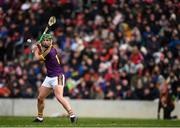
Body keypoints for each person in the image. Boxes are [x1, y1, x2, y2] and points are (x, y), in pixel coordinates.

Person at [31, 34, 77, 123]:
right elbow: (43, 54)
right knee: (40, 98)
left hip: (58, 76)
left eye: (49, 40)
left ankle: (72, 115)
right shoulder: (47, 49)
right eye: (45, 40)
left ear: (51, 41)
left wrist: (35, 50)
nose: (47, 42)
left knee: (59, 96)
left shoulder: (50, 51)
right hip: (49, 77)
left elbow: (38, 58)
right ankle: (40, 117)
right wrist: (38, 47)